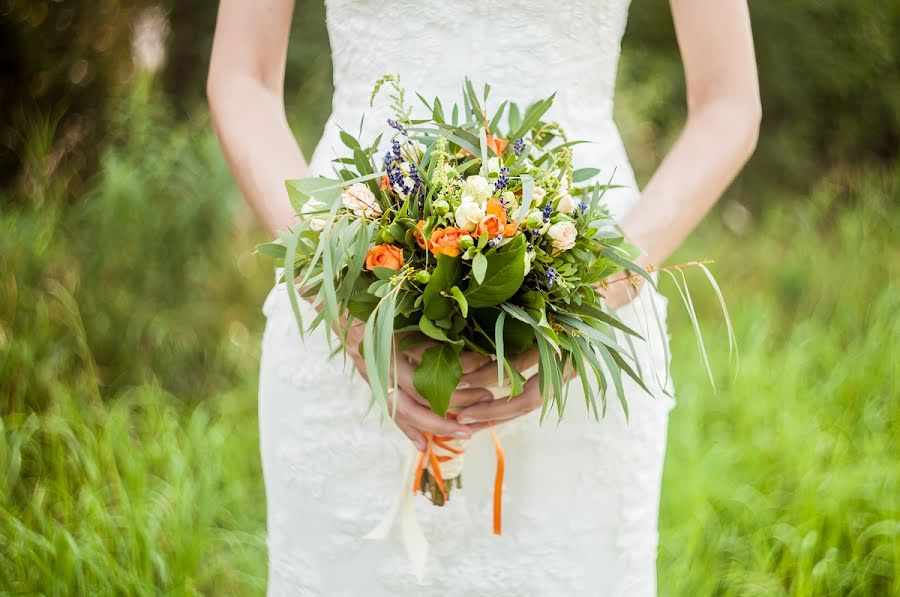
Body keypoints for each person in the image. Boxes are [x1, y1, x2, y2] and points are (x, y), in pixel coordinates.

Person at [207, 0, 760, 594]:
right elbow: (244, 79)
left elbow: (728, 102)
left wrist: (598, 292)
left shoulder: (593, 298)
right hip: (348, 279)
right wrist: (335, 290)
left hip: (581, 295)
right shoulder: (338, 294)